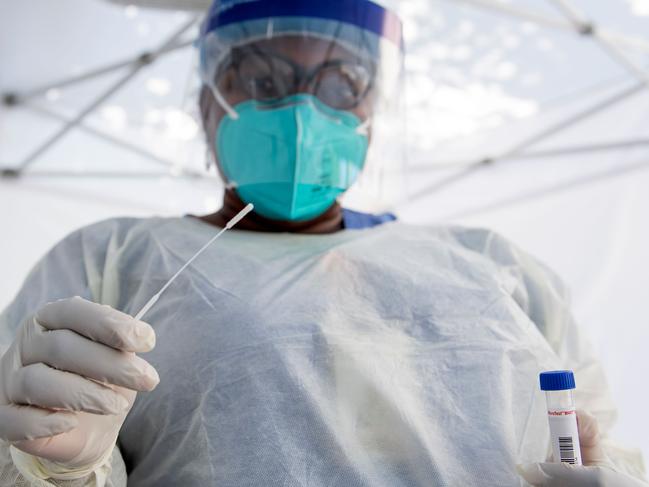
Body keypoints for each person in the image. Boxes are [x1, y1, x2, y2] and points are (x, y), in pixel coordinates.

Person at [0, 1, 646, 486]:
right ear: (204, 106)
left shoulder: (488, 258)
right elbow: (25, 443)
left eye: (342, 85)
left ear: (373, 114)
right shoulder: (113, 256)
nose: (305, 114)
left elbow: (595, 437)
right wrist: (57, 467)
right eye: (260, 81)